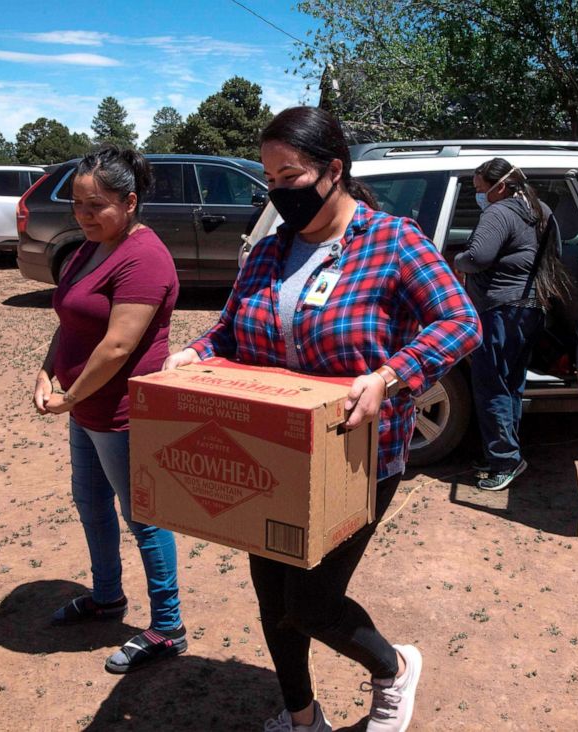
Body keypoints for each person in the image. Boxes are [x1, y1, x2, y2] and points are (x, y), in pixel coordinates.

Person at [164, 106, 480, 732]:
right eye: (270, 181)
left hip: (357, 456)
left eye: (291, 177)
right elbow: (230, 331)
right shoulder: (266, 253)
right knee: (271, 595)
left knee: (310, 602)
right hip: (266, 450)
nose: (280, 193)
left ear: (333, 171)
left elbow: (460, 321)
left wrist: (392, 374)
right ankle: (301, 716)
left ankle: (393, 669)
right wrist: (194, 353)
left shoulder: (393, 241)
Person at [33, 145, 185, 674]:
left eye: (95, 205)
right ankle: (106, 596)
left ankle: (168, 627)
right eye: (76, 204)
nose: (84, 215)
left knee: (142, 517)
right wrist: (47, 370)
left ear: (130, 202)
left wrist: (70, 396)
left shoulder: (144, 257)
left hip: (124, 414)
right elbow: (70, 320)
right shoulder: (86, 248)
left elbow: (119, 346)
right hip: (84, 410)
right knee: (91, 504)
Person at [454, 158, 569, 492]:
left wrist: (457, 261)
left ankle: (505, 461)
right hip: (530, 309)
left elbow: (477, 257)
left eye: (479, 190)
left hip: (500, 310)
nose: (479, 196)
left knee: (491, 385)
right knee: (511, 384)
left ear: (499, 186)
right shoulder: (539, 209)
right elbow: (555, 251)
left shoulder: (499, 212)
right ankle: (501, 453)